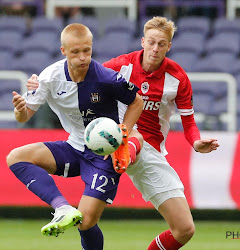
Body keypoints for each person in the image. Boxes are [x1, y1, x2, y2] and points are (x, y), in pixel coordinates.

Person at [27, 16, 219, 249]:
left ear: (169, 46)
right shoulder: (120, 66)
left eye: (161, 44)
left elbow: (189, 122)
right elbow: (81, 69)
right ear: (142, 41)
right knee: (86, 220)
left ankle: (127, 150)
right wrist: (40, 85)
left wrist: (196, 142)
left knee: (184, 230)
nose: (155, 48)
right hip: (111, 139)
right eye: (151, 42)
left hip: (149, 151)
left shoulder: (177, 78)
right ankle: (123, 150)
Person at [7, 23, 143, 250]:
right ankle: (61, 207)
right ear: (63, 51)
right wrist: (20, 109)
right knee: (16, 157)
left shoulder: (107, 78)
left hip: (104, 156)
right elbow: (24, 117)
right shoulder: (50, 77)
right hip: (74, 147)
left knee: (86, 223)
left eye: (87, 51)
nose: (82, 57)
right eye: (75, 52)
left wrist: (122, 134)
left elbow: (136, 101)